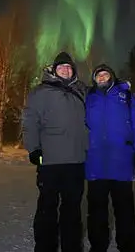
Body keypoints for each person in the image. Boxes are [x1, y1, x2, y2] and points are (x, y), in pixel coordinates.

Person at [23, 52, 88, 252]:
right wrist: (33, 148)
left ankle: (72, 246)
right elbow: (29, 122)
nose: (66, 70)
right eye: (61, 67)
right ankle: (45, 247)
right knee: (47, 208)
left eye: (69, 67)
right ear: (54, 70)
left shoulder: (82, 91)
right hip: (50, 162)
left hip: (76, 162)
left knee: (72, 209)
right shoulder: (40, 92)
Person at [85, 64, 135, 252]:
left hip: (121, 161)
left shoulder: (127, 96)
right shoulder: (89, 98)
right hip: (95, 163)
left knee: (125, 210)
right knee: (96, 211)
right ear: (94, 79)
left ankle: (127, 246)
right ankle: (98, 246)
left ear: (112, 77)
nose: (102, 77)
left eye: (105, 74)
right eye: (99, 75)